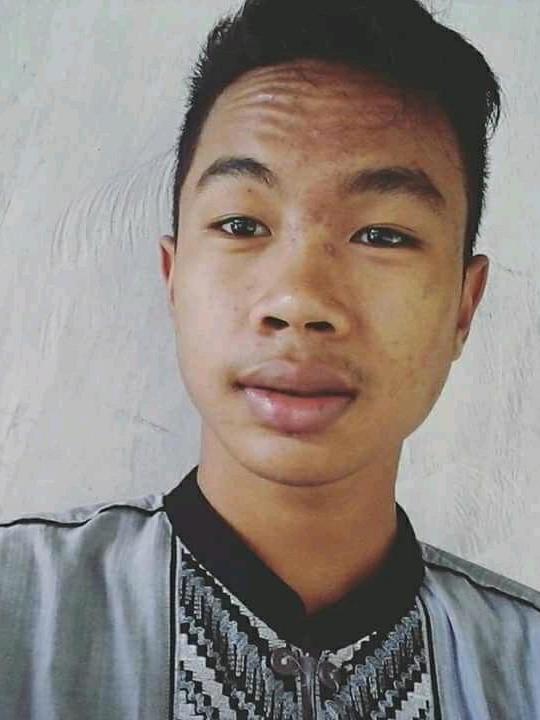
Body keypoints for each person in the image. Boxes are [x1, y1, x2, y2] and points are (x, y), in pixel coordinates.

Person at [1, 0, 539, 718]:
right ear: (173, 278)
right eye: (241, 223)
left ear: (463, 307)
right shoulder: (20, 613)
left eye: (383, 235)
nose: (298, 300)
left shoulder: (524, 667)